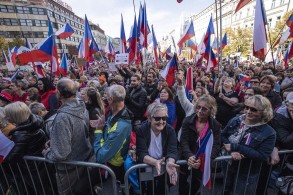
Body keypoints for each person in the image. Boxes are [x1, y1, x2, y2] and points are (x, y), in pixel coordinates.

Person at [42, 78, 92, 195]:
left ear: (58, 93)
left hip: (69, 168)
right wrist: (55, 140)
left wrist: (47, 153)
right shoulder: (81, 106)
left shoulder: (62, 118)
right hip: (82, 160)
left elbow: (60, 154)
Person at [221, 95, 276, 195]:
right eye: (246, 107)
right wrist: (231, 151)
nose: (248, 111)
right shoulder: (236, 120)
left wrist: (236, 147)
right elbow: (223, 135)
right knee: (225, 190)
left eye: (253, 109)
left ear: (264, 111)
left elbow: (262, 155)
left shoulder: (269, 132)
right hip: (228, 164)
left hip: (247, 171)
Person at [3, 102, 55, 194]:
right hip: (40, 168)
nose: (6, 118)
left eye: (8, 115)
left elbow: (12, 157)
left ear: (15, 116)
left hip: (31, 171)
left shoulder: (22, 133)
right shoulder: (34, 124)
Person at [180, 95, 221, 194]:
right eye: (198, 107)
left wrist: (205, 160)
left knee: (196, 185)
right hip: (186, 158)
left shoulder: (215, 125)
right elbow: (183, 141)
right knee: (182, 184)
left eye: (204, 109)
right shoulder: (187, 121)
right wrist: (189, 156)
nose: (199, 111)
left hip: (202, 160)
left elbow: (216, 145)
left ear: (211, 110)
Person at [91, 84, 132, 183]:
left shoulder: (120, 127)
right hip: (111, 162)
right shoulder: (114, 113)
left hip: (117, 166)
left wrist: (98, 130)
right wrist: (103, 125)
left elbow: (101, 156)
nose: (104, 98)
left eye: (106, 96)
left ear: (111, 99)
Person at [136, 102, 179, 194]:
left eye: (164, 118)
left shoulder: (170, 130)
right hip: (146, 168)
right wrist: (155, 162)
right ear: (149, 118)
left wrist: (170, 162)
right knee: (147, 191)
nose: (161, 121)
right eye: (157, 118)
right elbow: (141, 153)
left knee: (162, 191)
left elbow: (172, 151)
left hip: (164, 169)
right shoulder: (141, 130)